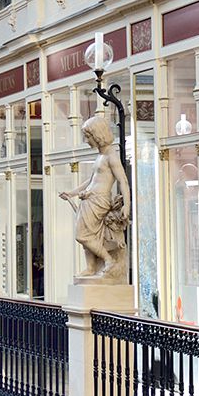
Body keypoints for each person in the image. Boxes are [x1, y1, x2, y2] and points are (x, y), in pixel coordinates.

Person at [59, 114, 130, 284]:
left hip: (99, 201)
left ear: (98, 135)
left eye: (88, 136)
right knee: (87, 235)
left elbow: (123, 180)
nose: (86, 140)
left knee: (82, 234)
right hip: (89, 200)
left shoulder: (111, 156)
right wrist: (73, 193)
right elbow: (90, 181)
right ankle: (91, 267)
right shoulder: (100, 156)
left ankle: (109, 260)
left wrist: (127, 205)